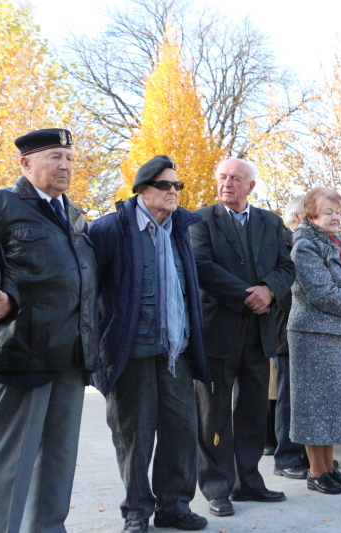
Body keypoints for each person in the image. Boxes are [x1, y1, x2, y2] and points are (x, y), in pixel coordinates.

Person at [0, 128, 96, 533]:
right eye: (53, 157)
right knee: (7, 467)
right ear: (26, 164)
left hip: (70, 354)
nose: (64, 165)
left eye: (68, 157)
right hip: (21, 352)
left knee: (58, 461)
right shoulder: (0, 204)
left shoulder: (75, 215)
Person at [89, 155, 211, 532]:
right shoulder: (109, 229)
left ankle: (174, 507)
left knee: (181, 431)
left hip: (177, 351)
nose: (174, 192)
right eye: (165, 185)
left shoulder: (182, 229)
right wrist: (97, 351)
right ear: (142, 189)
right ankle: (137, 512)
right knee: (134, 436)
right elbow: (91, 293)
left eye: (178, 186)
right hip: (131, 352)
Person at [190, 159, 295, 516]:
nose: (227, 183)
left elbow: (286, 266)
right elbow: (201, 266)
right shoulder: (200, 220)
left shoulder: (270, 222)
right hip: (218, 330)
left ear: (250, 186)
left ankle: (248, 481)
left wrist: (268, 290)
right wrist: (247, 296)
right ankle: (217, 487)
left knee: (251, 411)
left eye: (236, 178)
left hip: (259, 333)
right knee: (214, 413)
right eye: (222, 177)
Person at [287, 187, 341, 495]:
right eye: (327, 212)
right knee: (314, 406)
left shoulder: (332, 244)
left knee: (332, 405)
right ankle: (315, 471)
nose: (335, 217)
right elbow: (321, 293)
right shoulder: (306, 246)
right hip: (312, 335)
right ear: (311, 216)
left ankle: (328, 467)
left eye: (338, 211)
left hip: (334, 333)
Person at [271, 195, 309, 480]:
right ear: (296, 218)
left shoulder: (307, 243)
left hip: (307, 331)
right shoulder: (283, 242)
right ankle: (286, 458)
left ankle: (309, 456)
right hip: (288, 330)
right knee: (289, 398)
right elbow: (283, 288)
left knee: (307, 397)